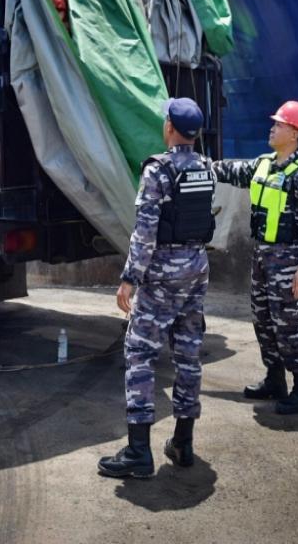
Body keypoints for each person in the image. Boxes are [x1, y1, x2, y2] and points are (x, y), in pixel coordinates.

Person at [97, 98, 215, 479]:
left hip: (161, 276)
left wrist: (130, 278)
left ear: (169, 127)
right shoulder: (205, 167)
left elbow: (145, 232)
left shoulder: (158, 170)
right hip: (196, 271)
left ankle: (138, 452)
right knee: (188, 355)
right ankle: (183, 443)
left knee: (140, 355)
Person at [213, 101, 298, 415]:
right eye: (274, 123)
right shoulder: (263, 164)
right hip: (262, 256)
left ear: (295, 133)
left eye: (279, 124)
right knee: (263, 320)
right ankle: (275, 380)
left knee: (290, 325)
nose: (272, 127)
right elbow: (229, 171)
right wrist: (196, 164)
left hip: (288, 260)